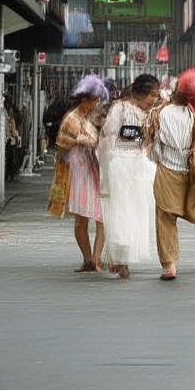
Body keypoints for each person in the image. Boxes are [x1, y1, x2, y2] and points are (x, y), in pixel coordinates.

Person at [146, 68, 195, 281]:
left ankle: (169, 265)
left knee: (165, 218)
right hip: (188, 172)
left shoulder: (159, 113)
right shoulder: (193, 118)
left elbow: (151, 142)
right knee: (179, 211)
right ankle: (171, 261)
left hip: (167, 172)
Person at [98, 74, 160, 279]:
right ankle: (120, 259)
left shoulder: (150, 113)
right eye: (152, 94)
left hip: (138, 165)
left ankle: (123, 258)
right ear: (141, 93)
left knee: (136, 212)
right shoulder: (120, 109)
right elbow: (110, 133)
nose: (154, 99)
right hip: (121, 164)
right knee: (121, 211)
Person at [57, 75, 108, 272]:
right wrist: (79, 140)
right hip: (79, 171)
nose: (96, 103)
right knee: (83, 218)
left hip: (91, 170)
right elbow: (61, 141)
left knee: (99, 216)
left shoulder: (88, 117)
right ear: (85, 98)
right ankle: (89, 259)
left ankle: (94, 258)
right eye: (95, 99)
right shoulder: (72, 118)